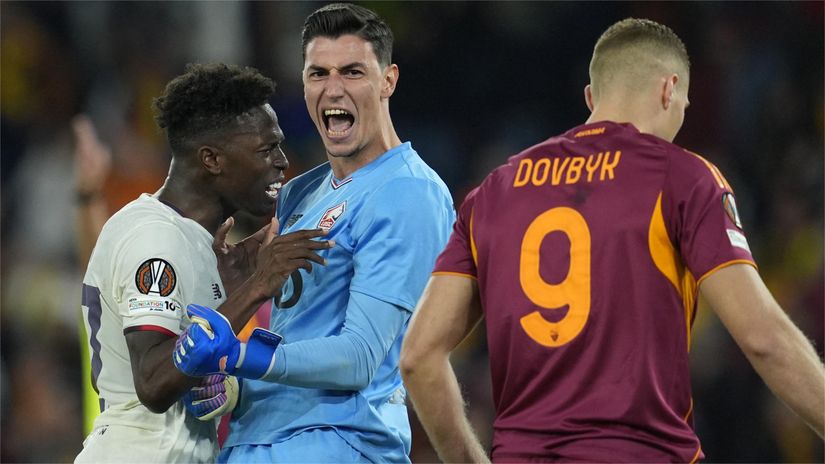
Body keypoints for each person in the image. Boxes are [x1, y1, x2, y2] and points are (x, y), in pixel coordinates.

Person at [400, 18, 825, 463]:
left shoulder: (493, 192)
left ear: (591, 98)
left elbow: (418, 357)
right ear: (669, 89)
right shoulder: (682, 177)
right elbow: (764, 339)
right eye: (683, 103)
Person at [172, 4, 455, 463]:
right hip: (255, 439)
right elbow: (295, 334)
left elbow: (361, 357)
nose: (333, 89)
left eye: (352, 72)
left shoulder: (407, 191)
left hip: (338, 442)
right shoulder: (302, 192)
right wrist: (234, 387)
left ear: (388, 81)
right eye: (318, 73)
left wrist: (239, 358)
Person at [76, 62, 333, 463]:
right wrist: (254, 288)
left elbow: (185, 358)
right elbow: (154, 382)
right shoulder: (154, 238)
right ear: (212, 159)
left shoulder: (194, 242)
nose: (282, 161)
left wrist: (224, 294)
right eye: (266, 149)